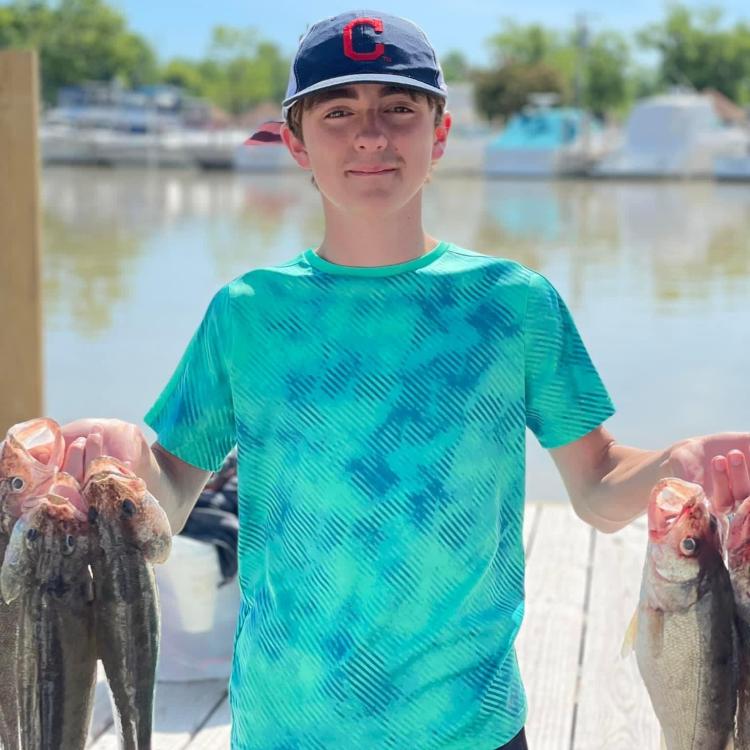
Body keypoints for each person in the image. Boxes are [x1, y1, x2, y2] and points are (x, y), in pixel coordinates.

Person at [60, 9, 750, 750]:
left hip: (470, 725)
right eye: (338, 112)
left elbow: (596, 483)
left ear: (439, 135)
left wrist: (673, 466)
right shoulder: (246, 313)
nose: (370, 135)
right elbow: (170, 492)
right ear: (294, 142)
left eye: (398, 108)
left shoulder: (514, 304)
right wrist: (126, 460)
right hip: (287, 727)